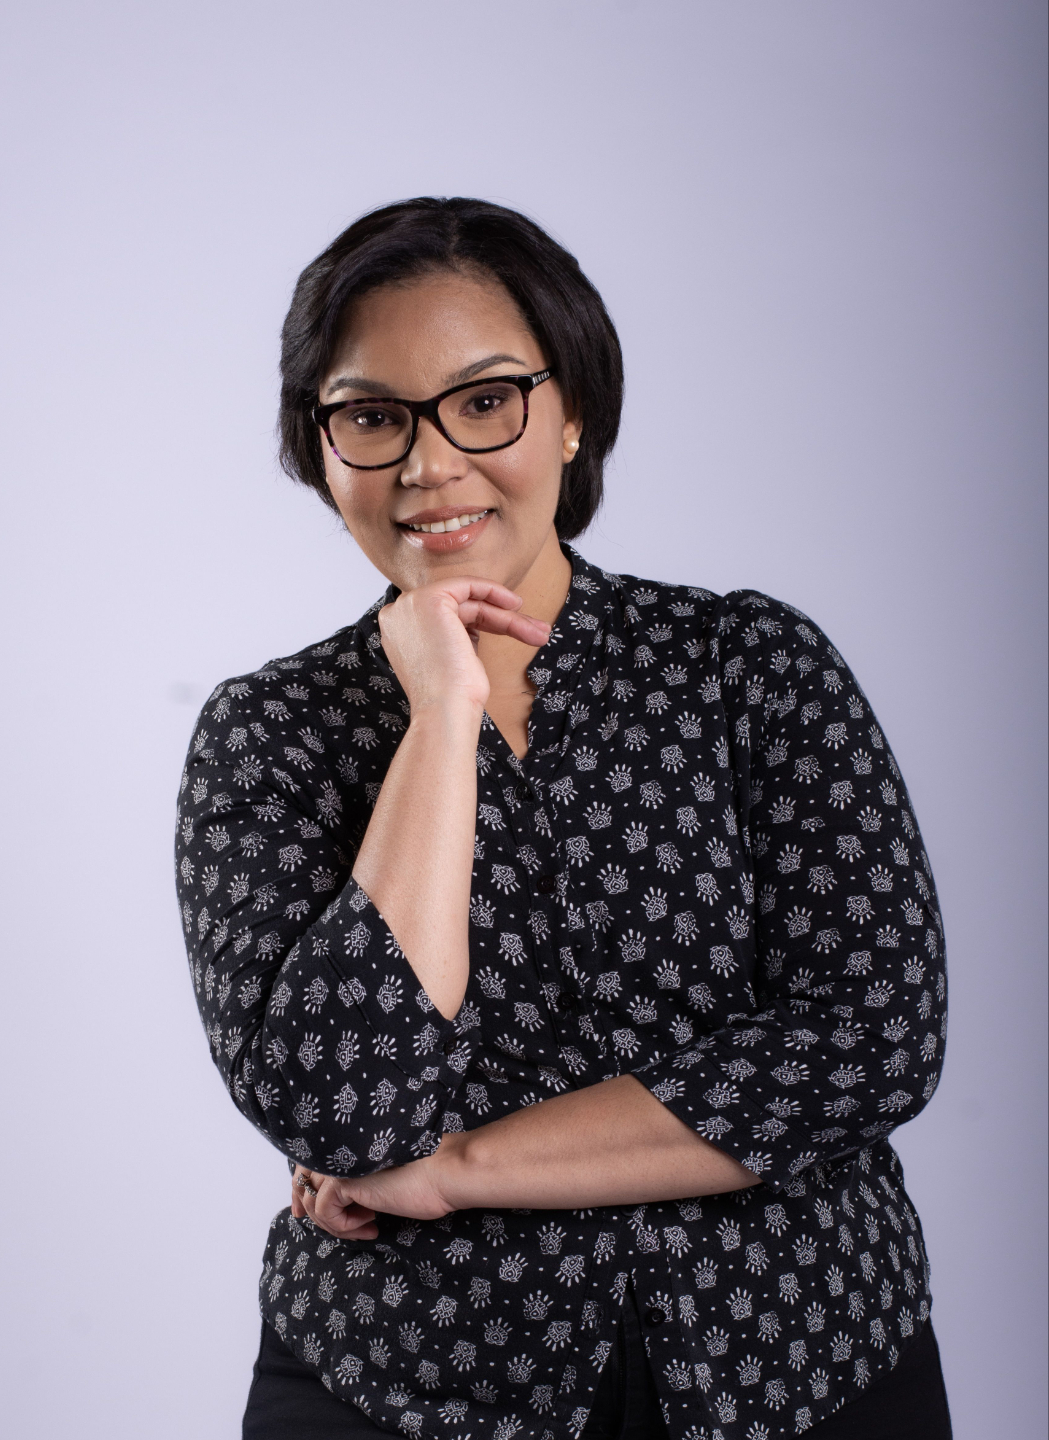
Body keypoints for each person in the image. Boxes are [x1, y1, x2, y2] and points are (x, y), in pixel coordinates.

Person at [175, 197, 953, 1440]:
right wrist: (441, 718)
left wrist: (453, 1167)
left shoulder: (745, 665)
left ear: (573, 408)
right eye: (372, 416)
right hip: (410, 1388)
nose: (429, 463)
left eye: (484, 401)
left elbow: (869, 1039)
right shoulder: (268, 736)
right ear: (319, 447)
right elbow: (340, 1113)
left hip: (798, 1359)